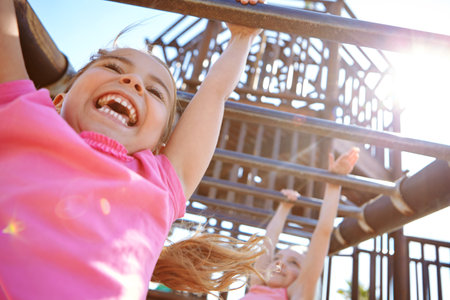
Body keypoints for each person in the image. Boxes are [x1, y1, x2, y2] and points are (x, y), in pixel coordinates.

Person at [0, 0, 265, 298]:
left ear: (159, 147)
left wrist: (243, 37)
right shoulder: (24, 117)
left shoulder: (158, 181)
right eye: (113, 67)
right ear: (58, 101)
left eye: (155, 92)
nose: (134, 81)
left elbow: (215, 92)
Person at [242, 147, 360, 300]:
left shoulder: (296, 294)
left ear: (303, 275)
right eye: (276, 258)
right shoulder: (257, 285)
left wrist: (334, 182)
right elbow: (268, 241)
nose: (280, 264)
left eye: (293, 263)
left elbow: (323, 233)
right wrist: (284, 207)